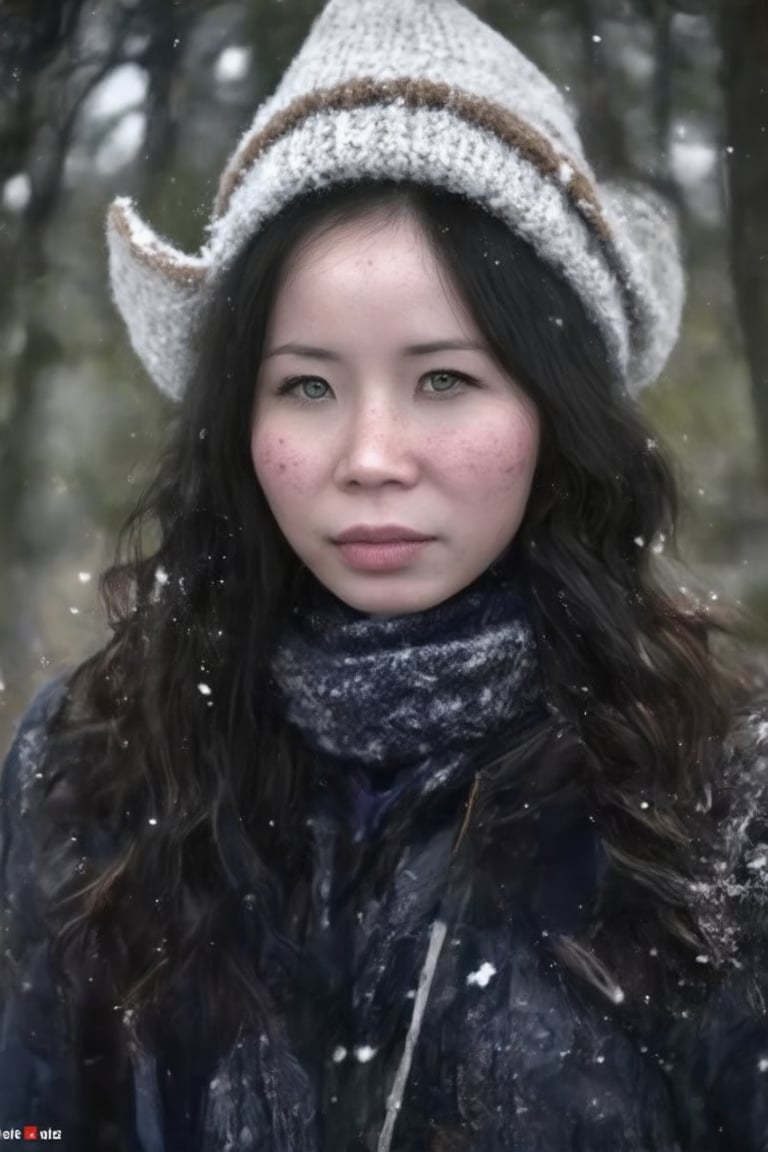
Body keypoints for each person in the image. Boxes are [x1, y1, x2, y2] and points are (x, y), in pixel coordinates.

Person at [1, 0, 767, 1148]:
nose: (368, 459)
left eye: (446, 379)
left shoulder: (716, 796)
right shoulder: (92, 766)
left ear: (553, 414)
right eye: (306, 385)